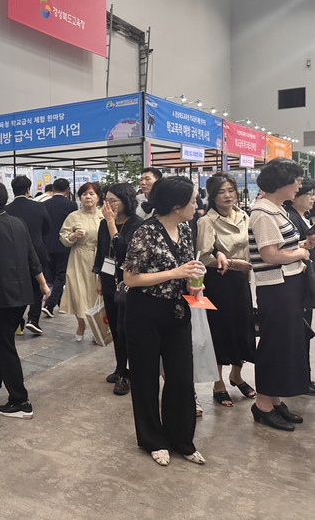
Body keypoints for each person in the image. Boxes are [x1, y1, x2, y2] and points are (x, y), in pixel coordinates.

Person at [121, 176, 206, 466]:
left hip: (178, 309)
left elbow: (186, 269)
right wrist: (174, 273)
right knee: (145, 378)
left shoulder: (185, 229)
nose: (196, 205)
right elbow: (130, 278)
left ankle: (182, 439)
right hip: (145, 311)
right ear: (176, 205)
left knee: (181, 378)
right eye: (192, 201)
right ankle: (153, 440)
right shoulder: (145, 232)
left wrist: (192, 284)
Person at [0, 182, 49, 419]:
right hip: (22, 294)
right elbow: (32, 256)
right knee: (3, 342)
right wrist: (43, 283)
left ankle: (20, 401)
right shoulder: (18, 222)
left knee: (5, 347)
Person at [248, 158, 311, 431]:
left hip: (288, 284)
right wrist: (301, 252)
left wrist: (301, 244)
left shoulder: (277, 209)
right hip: (276, 287)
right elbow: (270, 254)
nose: (299, 186)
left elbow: (281, 246)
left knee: (284, 344)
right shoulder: (263, 212)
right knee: (275, 344)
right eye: (296, 181)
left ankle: (273, 400)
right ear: (281, 183)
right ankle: (262, 404)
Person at [195, 172, 256, 408]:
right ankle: (218, 383)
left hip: (241, 281)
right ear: (212, 196)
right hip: (219, 282)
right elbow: (203, 256)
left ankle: (237, 376)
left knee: (242, 328)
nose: (227, 195)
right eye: (221, 192)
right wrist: (231, 263)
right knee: (219, 332)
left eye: (231, 190)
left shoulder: (243, 215)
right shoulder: (207, 221)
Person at [92, 183, 144, 395]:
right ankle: (120, 367)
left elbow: (123, 249)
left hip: (128, 283)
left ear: (126, 201)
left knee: (125, 329)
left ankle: (128, 373)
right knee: (114, 327)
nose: (109, 204)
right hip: (108, 280)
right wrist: (99, 278)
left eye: (113, 200)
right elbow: (101, 251)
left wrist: (111, 223)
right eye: (106, 200)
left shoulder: (137, 224)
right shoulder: (104, 224)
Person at [5, 175, 52, 334]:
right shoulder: (39, 207)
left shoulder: (7, 210)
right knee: (37, 285)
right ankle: (33, 319)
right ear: (28, 189)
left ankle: (18, 321)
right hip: (37, 250)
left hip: (14, 253)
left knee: (17, 286)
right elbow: (48, 226)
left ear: (13, 190)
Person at [59, 182, 103, 341]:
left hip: (98, 258)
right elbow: (63, 237)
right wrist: (73, 236)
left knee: (96, 295)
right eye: (84, 194)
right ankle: (81, 324)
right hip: (78, 258)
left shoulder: (104, 215)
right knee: (78, 293)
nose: (88, 197)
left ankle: (97, 328)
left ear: (98, 197)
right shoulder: (74, 216)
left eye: (91, 194)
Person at [283, 177, 315, 395]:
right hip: (297, 281)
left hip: (305, 280)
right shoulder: (292, 218)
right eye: (309, 194)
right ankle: (300, 379)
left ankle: (304, 377)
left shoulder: (303, 216)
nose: (312, 199)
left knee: (304, 331)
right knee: (299, 332)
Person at [42, 179, 78, 317]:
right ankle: (50, 304)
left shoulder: (45, 204)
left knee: (53, 276)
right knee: (60, 276)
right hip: (64, 244)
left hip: (47, 245)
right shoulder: (71, 205)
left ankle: (60, 303)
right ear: (67, 190)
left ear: (53, 189)